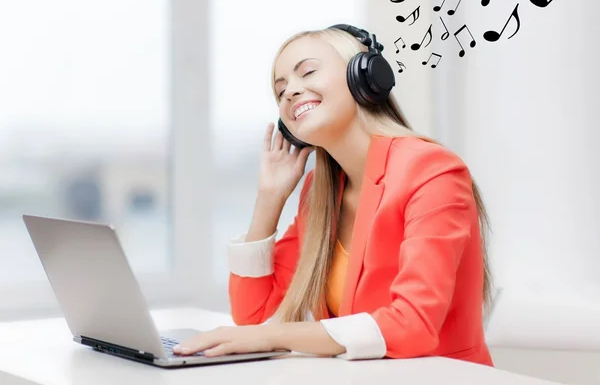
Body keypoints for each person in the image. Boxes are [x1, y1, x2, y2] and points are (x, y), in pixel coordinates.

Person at [173, 24, 494, 366]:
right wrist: (270, 198)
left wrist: (270, 337)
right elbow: (252, 312)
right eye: (280, 92)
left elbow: (412, 324)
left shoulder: (431, 170)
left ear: (364, 76)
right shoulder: (320, 194)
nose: (291, 93)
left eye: (307, 72)